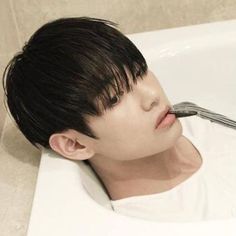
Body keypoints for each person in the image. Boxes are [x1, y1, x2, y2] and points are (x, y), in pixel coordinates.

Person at [2, 17, 236, 222]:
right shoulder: (156, 222)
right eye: (113, 99)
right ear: (76, 144)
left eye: (138, 72)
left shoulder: (193, 116)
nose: (152, 96)